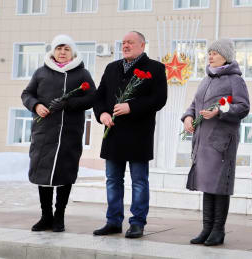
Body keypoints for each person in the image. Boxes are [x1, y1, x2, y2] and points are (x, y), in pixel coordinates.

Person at [93, 31, 167, 239]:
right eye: (123, 42)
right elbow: (98, 97)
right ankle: (113, 221)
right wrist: (103, 114)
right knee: (112, 180)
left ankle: (137, 223)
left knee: (139, 181)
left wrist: (131, 107)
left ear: (142, 45)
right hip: (113, 134)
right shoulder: (111, 67)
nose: (125, 45)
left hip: (138, 135)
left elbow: (159, 99)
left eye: (130, 42)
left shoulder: (155, 68)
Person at [21, 34, 96, 232]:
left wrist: (69, 104)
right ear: (53, 51)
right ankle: (45, 216)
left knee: (65, 173)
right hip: (44, 133)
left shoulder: (82, 74)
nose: (62, 52)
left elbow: (92, 98)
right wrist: (36, 105)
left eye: (67, 49)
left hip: (69, 134)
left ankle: (59, 216)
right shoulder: (41, 72)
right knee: (42, 173)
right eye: (59, 48)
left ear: (73, 52)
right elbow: (26, 94)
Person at [181, 39, 250, 246]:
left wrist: (219, 111)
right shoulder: (206, 78)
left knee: (219, 186)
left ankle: (218, 231)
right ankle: (206, 229)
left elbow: (243, 107)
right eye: (209, 52)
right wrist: (187, 117)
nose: (210, 56)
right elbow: (194, 104)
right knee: (206, 184)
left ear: (226, 56)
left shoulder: (234, 79)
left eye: (215, 53)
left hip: (221, 141)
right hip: (203, 141)